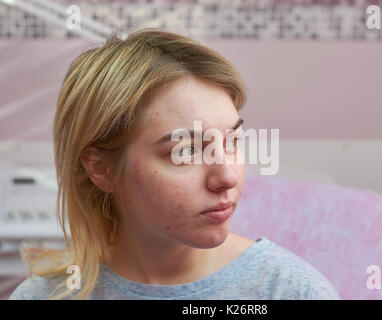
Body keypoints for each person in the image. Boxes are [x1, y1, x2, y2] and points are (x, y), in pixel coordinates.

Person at [9, 28, 340, 300]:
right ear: (102, 169)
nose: (226, 177)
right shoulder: (43, 296)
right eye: (186, 152)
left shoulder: (290, 292)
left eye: (232, 141)